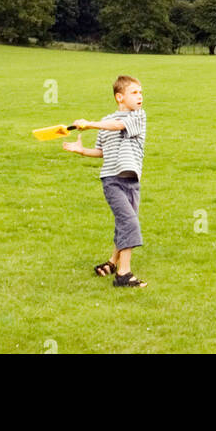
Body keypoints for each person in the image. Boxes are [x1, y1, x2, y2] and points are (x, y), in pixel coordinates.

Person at [62, 75, 148, 287]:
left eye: (141, 92)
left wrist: (89, 124)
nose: (140, 97)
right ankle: (123, 275)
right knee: (129, 223)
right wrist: (82, 151)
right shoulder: (105, 122)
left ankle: (111, 263)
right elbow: (101, 151)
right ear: (120, 97)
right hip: (112, 181)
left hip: (132, 181)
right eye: (134, 93)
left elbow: (118, 125)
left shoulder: (138, 116)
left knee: (124, 223)